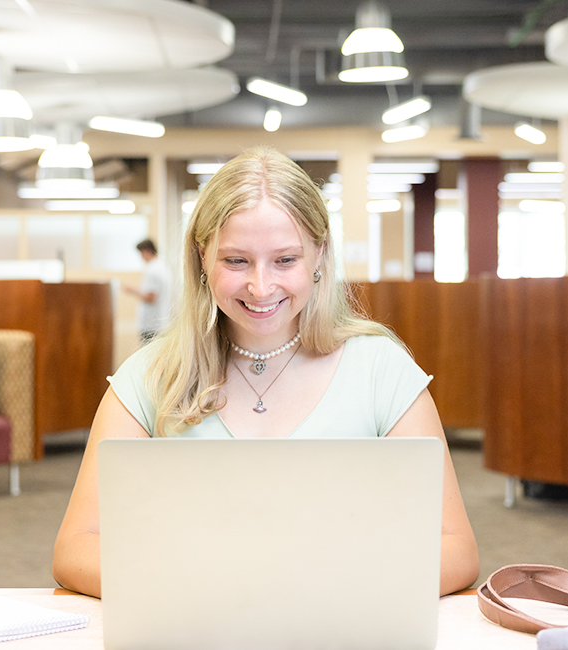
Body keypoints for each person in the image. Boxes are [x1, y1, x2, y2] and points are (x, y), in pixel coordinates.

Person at [52, 146, 480, 598]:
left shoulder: (380, 370)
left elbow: (455, 549)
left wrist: (315, 588)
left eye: (285, 260)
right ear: (202, 258)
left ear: (319, 255)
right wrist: (212, 588)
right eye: (236, 261)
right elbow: (76, 549)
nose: (260, 286)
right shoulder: (151, 376)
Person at [122, 239, 170, 344]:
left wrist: (132, 290)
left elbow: (150, 297)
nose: (141, 257)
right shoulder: (162, 267)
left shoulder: (152, 270)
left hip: (150, 325)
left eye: (141, 253)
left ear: (147, 251)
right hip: (160, 322)